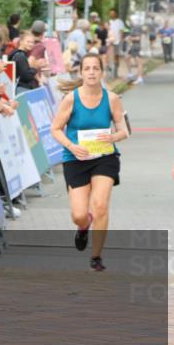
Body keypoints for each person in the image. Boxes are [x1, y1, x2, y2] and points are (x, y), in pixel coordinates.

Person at [50, 54, 128, 272]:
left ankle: (96, 256)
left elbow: (125, 130)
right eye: (88, 68)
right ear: (81, 72)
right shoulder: (71, 99)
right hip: (77, 159)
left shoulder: (111, 98)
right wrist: (71, 146)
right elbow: (55, 129)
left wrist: (113, 137)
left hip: (105, 157)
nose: (92, 72)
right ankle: (84, 227)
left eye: (96, 68)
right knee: (78, 214)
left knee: (101, 205)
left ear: (101, 72)